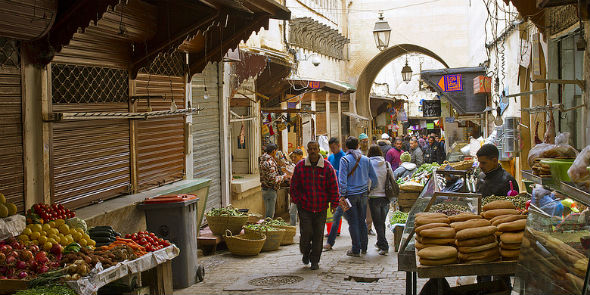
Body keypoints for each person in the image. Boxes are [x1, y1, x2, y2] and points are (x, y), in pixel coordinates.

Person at [290, 141, 340, 270]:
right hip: (305, 207)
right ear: (307, 150)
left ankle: (315, 260)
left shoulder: (327, 167)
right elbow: (294, 185)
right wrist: (296, 200)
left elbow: (333, 187)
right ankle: (305, 253)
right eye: (310, 149)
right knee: (306, 233)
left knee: (318, 234)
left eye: (315, 149)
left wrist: (334, 203)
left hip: (321, 207)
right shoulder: (300, 166)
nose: (312, 151)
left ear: (318, 150)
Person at [475, 144, 518, 285]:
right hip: (481, 230)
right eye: (479, 162)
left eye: (483, 162)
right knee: (481, 270)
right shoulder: (481, 176)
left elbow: (513, 211)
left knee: (500, 273)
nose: (480, 166)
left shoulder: (507, 181)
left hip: (500, 232)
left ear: (494, 160)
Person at [339, 136, 378, 257]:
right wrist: (370, 189)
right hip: (363, 194)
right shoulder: (366, 159)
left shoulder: (344, 160)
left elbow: (342, 180)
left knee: (353, 222)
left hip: (350, 195)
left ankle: (356, 249)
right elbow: (374, 179)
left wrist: (342, 194)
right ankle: (364, 247)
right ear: (357, 146)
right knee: (362, 221)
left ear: (346, 147)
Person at [367, 145, 396, 255]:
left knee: (378, 223)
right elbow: (392, 178)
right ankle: (380, 243)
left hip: (374, 197)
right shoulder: (386, 164)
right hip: (386, 197)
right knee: (381, 222)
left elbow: (368, 180)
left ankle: (384, 246)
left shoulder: (368, 163)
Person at [324, 137, 346, 250]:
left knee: (340, 214)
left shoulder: (344, 157)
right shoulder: (330, 157)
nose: (333, 150)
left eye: (334, 147)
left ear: (338, 145)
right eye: (331, 148)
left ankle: (333, 235)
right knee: (333, 213)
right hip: (332, 189)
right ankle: (331, 234)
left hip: (343, 191)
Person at [260, 143, 291, 218]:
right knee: (270, 215)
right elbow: (273, 179)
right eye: (276, 151)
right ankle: (267, 228)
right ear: (273, 151)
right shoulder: (270, 163)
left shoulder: (262, 160)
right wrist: (283, 176)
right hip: (270, 189)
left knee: (267, 212)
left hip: (264, 188)